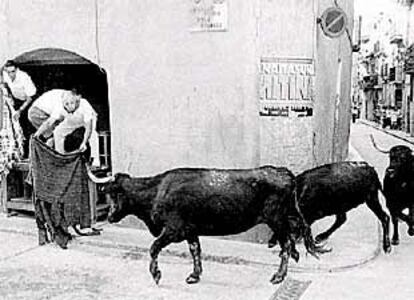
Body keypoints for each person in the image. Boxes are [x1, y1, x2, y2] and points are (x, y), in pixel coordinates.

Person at [28, 88, 98, 161]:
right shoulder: (59, 107)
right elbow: (49, 122)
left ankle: (96, 161)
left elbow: (89, 127)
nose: (69, 106)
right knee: (57, 132)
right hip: (72, 119)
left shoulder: (84, 105)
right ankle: (60, 157)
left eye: (72, 103)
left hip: (86, 119)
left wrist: (84, 143)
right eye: (66, 104)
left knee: (93, 134)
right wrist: (37, 134)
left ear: (76, 100)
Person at [2, 60, 37, 157]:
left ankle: (32, 154)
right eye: (8, 72)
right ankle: (22, 153)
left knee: (30, 126)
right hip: (17, 100)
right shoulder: (5, 75)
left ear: (17, 70)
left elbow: (30, 97)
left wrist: (20, 110)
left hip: (29, 101)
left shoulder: (24, 77)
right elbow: (4, 83)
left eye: (13, 72)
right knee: (19, 127)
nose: (10, 74)